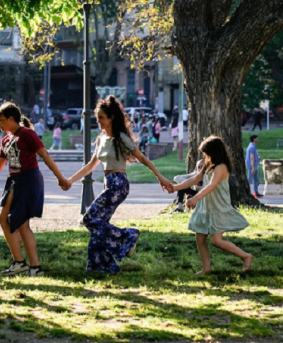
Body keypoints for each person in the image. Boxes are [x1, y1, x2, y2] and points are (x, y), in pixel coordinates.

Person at [63, 96, 174, 274]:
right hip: (109, 184)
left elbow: (143, 158)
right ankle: (102, 266)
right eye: (97, 117)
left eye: (101, 117)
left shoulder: (121, 138)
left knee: (89, 219)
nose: (98, 120)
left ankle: (128, 235)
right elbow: (90, 166)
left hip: (118, 184)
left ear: (111, 117)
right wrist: (70, 180)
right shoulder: (101, 139)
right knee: (99, 227)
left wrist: (160, 177)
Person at [0, 102, 71, 277]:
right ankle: (20, 262)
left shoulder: (27, 134)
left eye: (1, 120)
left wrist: (61, 178)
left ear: (12, 119)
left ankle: (34, 267)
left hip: (28, 180)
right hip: (14, 182)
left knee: (21, 223)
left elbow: (45, 155)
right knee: (4, 218)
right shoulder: (6, 139)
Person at [170, 136, 253, 275]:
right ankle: (206, 268)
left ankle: (245, 256)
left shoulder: (221, 167)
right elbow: (194, 179)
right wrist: (175, 188)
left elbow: (212, 185)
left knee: (216, 240)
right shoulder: (208, 166)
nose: (204, 156)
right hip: (205, 206)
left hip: (217, 206)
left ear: (214, 152)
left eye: (206, 153)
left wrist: (195, 198)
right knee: (200, 238)